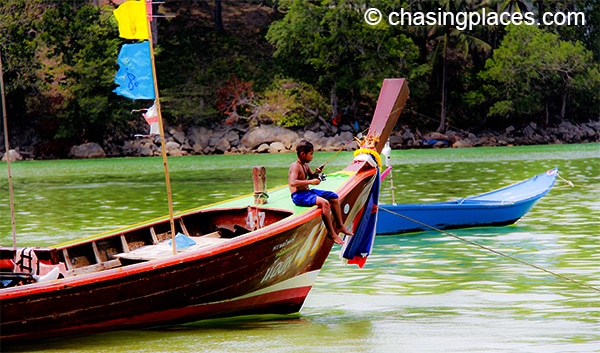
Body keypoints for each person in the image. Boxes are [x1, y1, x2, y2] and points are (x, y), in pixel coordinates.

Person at [289, 140, 353, 245]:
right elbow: (293, 182)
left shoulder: (305, 165)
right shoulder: (295, 166)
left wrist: (317, 173)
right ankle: (331, 233)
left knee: (333, 197)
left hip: (307, 192)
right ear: (302, 154)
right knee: (325, 203)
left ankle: (340, 225)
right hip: (298, 196)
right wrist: (311, 181)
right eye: (311, 154)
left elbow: (312, 176)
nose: (312, 157)